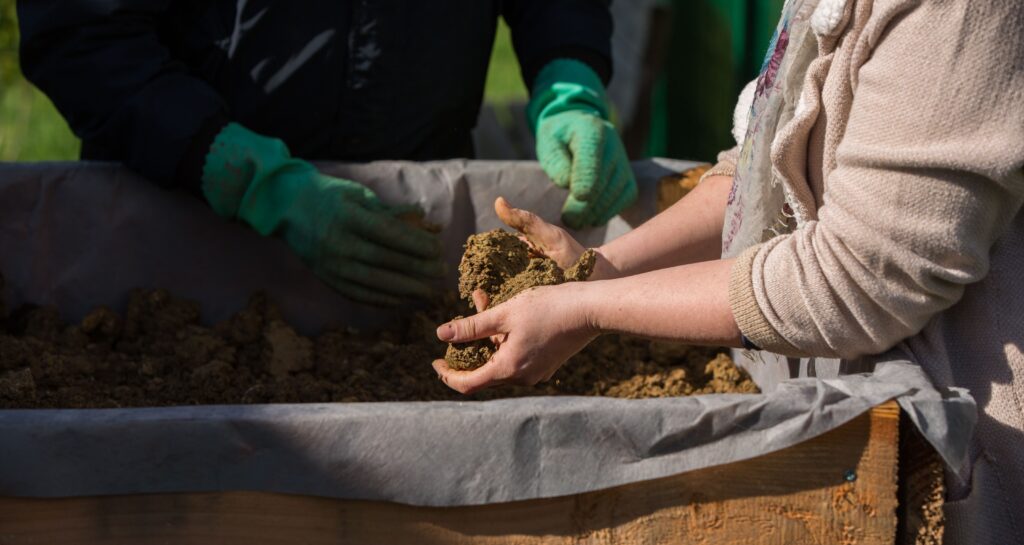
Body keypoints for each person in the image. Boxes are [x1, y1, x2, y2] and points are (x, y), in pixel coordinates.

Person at [433, 1, 1024, 542]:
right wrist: (599, 269)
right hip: (838, 406)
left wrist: (585, 308)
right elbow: (764, 169)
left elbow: (857, 279)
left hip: (962, 448)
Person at [16, 1, 636, 305]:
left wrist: (568, 79)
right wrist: (245, 175)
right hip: (175, 222)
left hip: (413, 240)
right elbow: (81, 32)